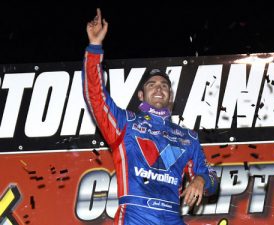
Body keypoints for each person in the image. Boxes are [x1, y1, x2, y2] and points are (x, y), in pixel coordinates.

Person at [83, 8, 219, 225]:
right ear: (141, 95)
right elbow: (96, 97)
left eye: (164, 85)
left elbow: (211, 176)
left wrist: (201, 180)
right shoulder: (125, 123)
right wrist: (95, 48)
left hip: (172, 217)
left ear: (170, 96)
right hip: (135, 216)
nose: (159, 88)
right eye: (152, 84)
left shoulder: (187, 137)